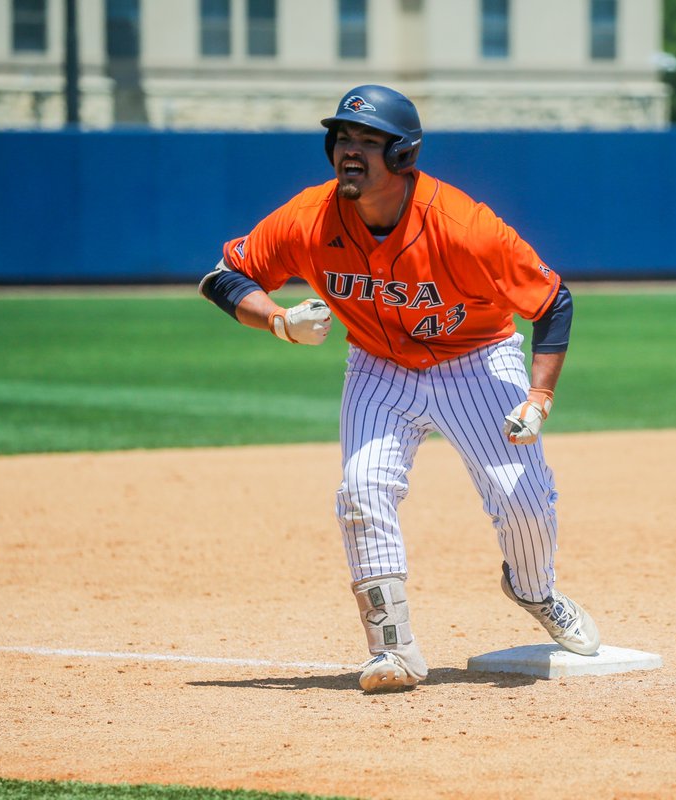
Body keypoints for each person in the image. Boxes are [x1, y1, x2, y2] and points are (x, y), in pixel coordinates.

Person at [198, 84, 599, 693]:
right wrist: (277, 321)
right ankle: (392, 650)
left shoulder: (465, 226)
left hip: (478, 362)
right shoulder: (308, 218)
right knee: (361, 490)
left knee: (522, 499)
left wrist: (538, 398)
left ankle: (533, 587)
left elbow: (552, 301)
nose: (350, 151)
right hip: (378, 366)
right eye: (343, 138)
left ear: (404, 154)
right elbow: (226, 275)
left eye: (368, 141)